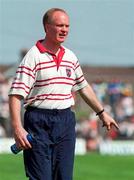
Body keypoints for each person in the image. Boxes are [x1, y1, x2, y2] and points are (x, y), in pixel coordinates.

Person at [8, 8, 119, 180]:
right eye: (59, 25)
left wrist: (102, 113)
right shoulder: (33, 57)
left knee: (64, 177)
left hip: (65, 121)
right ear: (46, 27)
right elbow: (15, 94)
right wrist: (17, 128)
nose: (64, 29)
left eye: (67, 26)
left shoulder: (70, 56)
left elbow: (83, 87)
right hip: (39, 121)